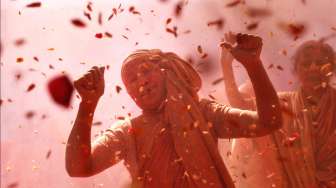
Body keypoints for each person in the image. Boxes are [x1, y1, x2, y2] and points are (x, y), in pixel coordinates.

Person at [65, 34, 283, 188]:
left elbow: (269, 121)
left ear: (165, 72)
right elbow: (78, 168)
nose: (141, 81)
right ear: (130, 93)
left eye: (145, 71)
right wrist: (87, 104)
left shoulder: (202, 112)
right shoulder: (127, 133)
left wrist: (254, 66)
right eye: (132, 79)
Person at [221, 34, 336, 188]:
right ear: (296, 70)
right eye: (307, 63)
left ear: (332, 68)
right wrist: (226, 65)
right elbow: (240, 105)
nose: (314, 67)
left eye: (320, 62)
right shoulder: (283, 104)